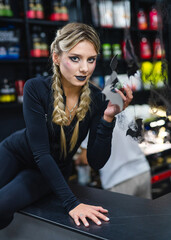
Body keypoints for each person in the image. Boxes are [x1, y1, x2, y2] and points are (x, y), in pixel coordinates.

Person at [0, 22, 133, 229]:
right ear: (56, 57)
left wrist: (108, 118)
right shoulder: (35, 88)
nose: (84, 68)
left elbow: (96, 162)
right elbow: (41, 153)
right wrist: (72, 204)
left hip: (49, 170)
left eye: (91, 60)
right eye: (75, 58)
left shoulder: (98, 99)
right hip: (15, 152)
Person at [77, 109, 151, 199]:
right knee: (146, 212)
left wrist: (77, 159)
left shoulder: (91, 120)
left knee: (124, 213)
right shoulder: (124, 110)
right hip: (142, 170)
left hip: (117, 179)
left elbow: (85, 160)